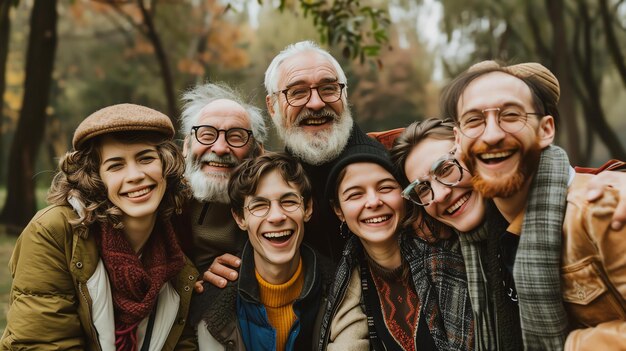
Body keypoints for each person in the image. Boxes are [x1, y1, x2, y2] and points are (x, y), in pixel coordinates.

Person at [427, 61, 624, 350]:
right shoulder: (486, 234)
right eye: (474, 120)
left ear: (546, 130)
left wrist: (572, 345)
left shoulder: (601, 210)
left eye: (510, 115)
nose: (492, 134)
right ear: (457, 140)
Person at [1, 104, 198, 351]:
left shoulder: (176, 238)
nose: (135, 175)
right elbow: (42, 344)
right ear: (95, 178)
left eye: (145, 158)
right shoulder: (53, 231)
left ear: (165, 165)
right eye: (115, 165)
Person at [205, 40, 382, 287]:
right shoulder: (267, 178)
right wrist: (207, 266)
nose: (316, 103)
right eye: (297, 92)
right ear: (272, 106)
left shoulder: (389, 169)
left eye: (329, 88)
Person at [319, 136, 474, 351]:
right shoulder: (348, 281)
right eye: (355, 195)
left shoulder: (448, 250)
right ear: (339, 211)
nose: (373, 202)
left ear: (405, 195)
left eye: (385, 188)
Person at [190, 152, 333, 351]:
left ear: (307, 208)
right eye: (259, 205)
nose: (276, 216)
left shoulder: (339, 289)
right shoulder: (209, 304)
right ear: (240, 218)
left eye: (289, 201)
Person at [177, 82, 267, 278]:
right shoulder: (161, 204)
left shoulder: (275, 207)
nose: (219, 148)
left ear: (258, 152)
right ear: (186, 146)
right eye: (207, 135)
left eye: (236, 137)